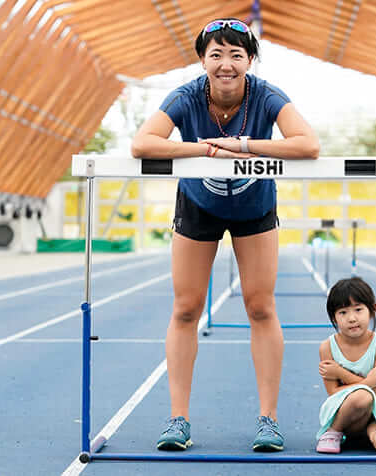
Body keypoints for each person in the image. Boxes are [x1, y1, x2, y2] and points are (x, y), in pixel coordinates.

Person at [131, 18, 320, 452]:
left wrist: (244, 145)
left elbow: (307, 144)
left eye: (236, 55)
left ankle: (268, 420)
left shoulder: (267, 95)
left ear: (249, 61)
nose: (226, 64)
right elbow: (143, 144)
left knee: (260, 306)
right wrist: (203, 149)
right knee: (185, 308)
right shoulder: (186, 97)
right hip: (199, 204)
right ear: (203, 61)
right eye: (216, 55)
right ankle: (178, 419)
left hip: (255, 206)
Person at [316, 277, 376, 454]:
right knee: (361, 397)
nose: (352, 318)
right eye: (343, 312)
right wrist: (370, 381)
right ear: (334, 317)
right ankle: (333, 432)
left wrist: (340, 372)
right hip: (346, 412)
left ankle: (367, 435)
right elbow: (333, 392)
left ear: (372, 309)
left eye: (358, 310)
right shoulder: (327, 347)